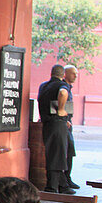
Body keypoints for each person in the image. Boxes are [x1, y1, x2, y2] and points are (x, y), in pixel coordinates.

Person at [37, 64, 72, 193]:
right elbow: (63, 93)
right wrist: (62, 110)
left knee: (53, 153)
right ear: (63, 75)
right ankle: (51, 187)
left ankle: (63, 185)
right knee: (58, 154)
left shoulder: (43, 86)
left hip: (47, 124)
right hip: (58, 122)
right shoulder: (62, 86)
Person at [62, 65, 79, 189]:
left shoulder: (69, 88)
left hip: (68, 123)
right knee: (66, 152)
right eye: (73, 73)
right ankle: (65, 180)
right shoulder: (62, 87)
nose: (75, 76)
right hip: (64, 123)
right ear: (65, 74)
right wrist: (65, 119)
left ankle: (68, 178)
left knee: (70, 151)